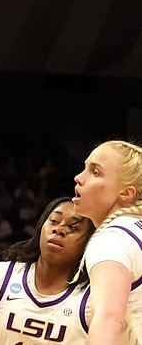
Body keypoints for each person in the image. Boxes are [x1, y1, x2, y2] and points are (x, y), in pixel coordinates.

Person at [0, 196, 95, 344]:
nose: (59, 230)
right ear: (41, 227)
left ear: (88, 243)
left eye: (73, 227)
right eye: (54, 221)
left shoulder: (93, 300)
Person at [72, 140, 142, 344]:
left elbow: (108, 319)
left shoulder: (114, 238)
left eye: (95, 172)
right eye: (85, 168)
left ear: (126, 193)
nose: (78, 178)